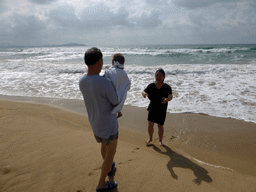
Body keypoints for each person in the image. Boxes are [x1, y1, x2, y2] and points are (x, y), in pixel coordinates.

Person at [79, 47, 119, 192]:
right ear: (98, 61)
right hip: (109, 124)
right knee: (111, 153)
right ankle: (102, 183)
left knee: (104, 147)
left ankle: (107, 166)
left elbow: (97, 98)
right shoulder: (104, 82)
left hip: (95, 124)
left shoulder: (82, 81)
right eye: (101, 60)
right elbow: (116, 102)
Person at [142, 68, 173, 146]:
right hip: (152, 107)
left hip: (162, 109)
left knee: (160, 126)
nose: (158, 77)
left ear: (163, 77)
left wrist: (167, 99)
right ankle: (150, 138)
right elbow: (144, 91)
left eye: (160, 76)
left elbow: (170, 96)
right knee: (150, 124)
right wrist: (144, 94)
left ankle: (160, 141)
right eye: (156, 75)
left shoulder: (167, 87)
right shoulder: (152, 85)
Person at [104, 53, 131, 118]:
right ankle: (118, 111)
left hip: (109, 101)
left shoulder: (109, 71)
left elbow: (105, 84)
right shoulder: (124, 73)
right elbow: (128, 85)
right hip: (119, 101)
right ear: (123, 63)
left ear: (113, 62)